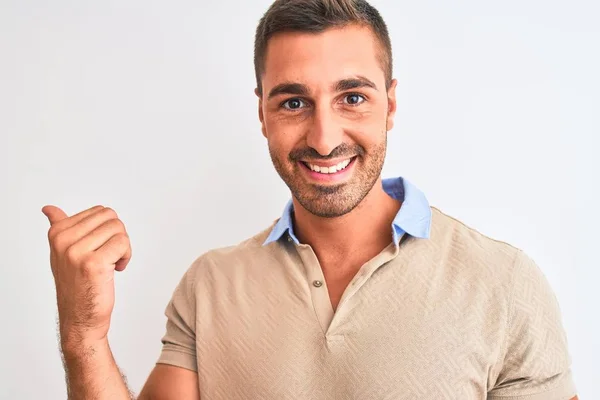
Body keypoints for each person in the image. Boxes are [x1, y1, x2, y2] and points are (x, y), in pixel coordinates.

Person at [41, 0, 578, 399]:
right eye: (294, 101)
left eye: (352, 97)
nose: (324, 138)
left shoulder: (504, 284)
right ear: (262, 114)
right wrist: (83, 336)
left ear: (390, 104)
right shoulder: (209, 287)